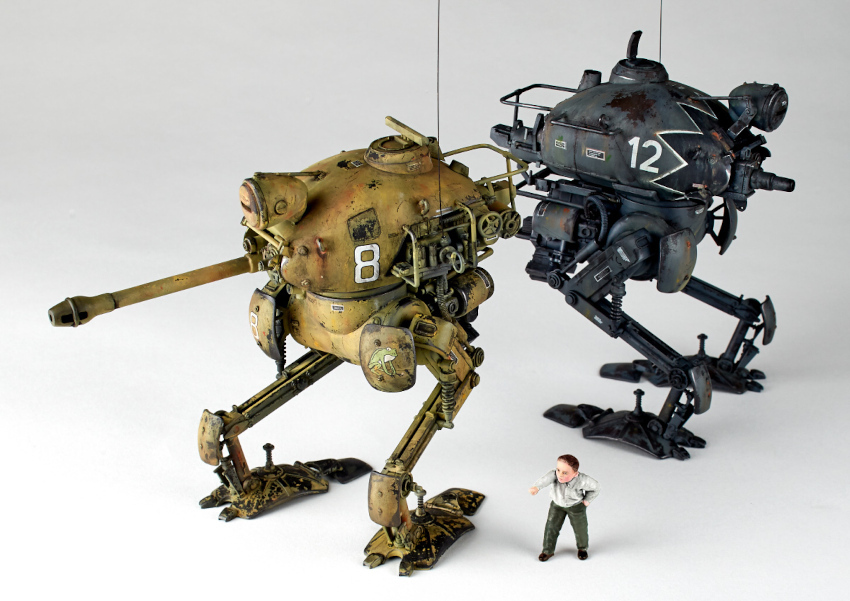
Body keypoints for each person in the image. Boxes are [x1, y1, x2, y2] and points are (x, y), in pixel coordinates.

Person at [529, 454, 600, 561]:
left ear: (575, 473)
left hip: (576, 506)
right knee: (551, 527)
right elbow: (545, 480)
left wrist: (587, 500)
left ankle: (582, 548)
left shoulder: (582, 480)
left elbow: (596, 487)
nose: (560, 474)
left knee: (580, 529)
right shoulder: (554, 475)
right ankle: (547, 550)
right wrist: (536, 487)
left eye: (565, 473)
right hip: (557, 505)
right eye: (558, 470)